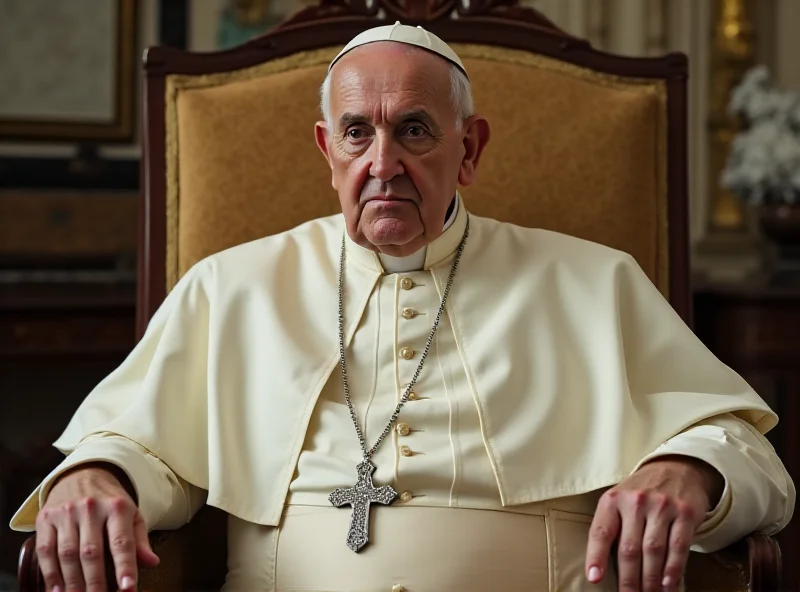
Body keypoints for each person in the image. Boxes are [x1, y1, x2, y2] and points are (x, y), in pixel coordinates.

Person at [10, 23, 794, 592]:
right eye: (359, 133)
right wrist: (98, 472)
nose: (383, 164)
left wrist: (687, 466)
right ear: (328, 150)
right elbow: (145, 445)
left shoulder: (593, 282)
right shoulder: (232, 287)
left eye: (414, 131)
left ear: (470, 148)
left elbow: (749, 456)